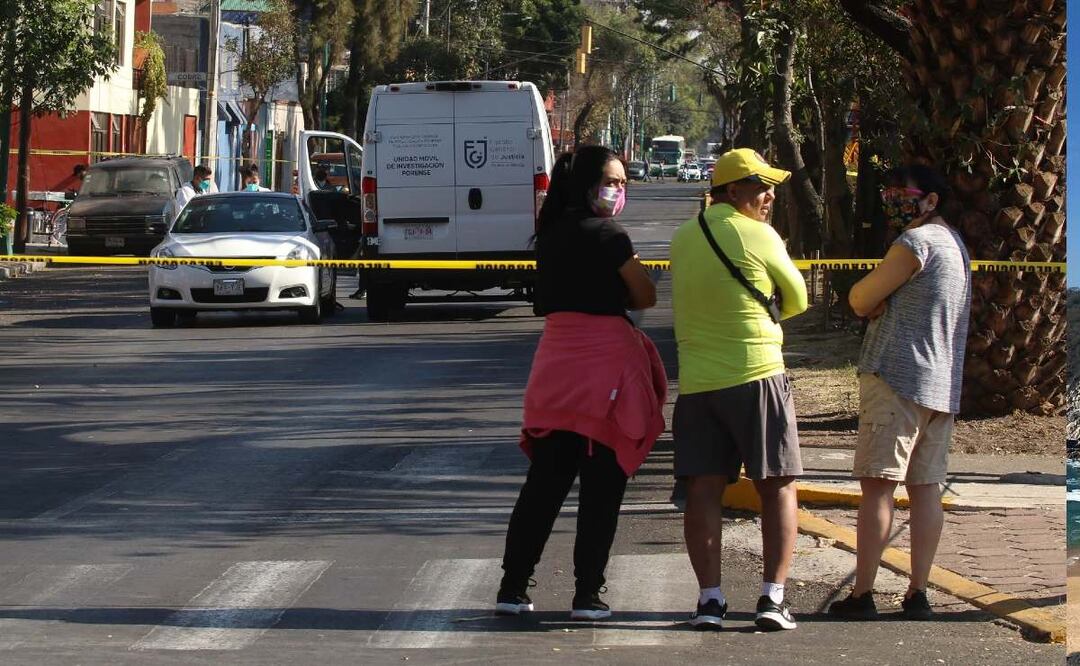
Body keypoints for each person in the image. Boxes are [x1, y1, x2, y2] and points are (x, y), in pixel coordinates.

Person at [496, 146, 666, 621]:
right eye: (613, 181)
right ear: (588, 183)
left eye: (624, 182)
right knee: (601, 490)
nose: (619, 190)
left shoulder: (548, 234)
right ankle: (587, 594)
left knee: (543, 488)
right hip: (607, 374)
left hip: (555, 369)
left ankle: (512, 588)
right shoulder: (610, 235)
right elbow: (646, 295)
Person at [669, 148, 808, 631]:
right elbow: (798, 299)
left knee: (703, 490)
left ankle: (709, 601)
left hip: (698, 385)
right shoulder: (759, 234)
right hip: (757, 375)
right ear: (732, 191)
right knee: (778, 486)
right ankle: (772, 598)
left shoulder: (684, 237)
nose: (769, 195)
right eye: (759, 186)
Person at [828, 164, 971, 621]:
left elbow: (859, 297)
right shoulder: (956, 246)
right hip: (941, 384)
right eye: (889, 193)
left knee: (878, 487)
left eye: (903, 194)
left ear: (931, 200)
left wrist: (872, 302)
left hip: (896, 378)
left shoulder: (914, 243)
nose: (893, 201)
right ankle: (918, 592)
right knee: (927, 489)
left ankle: (862, 594)